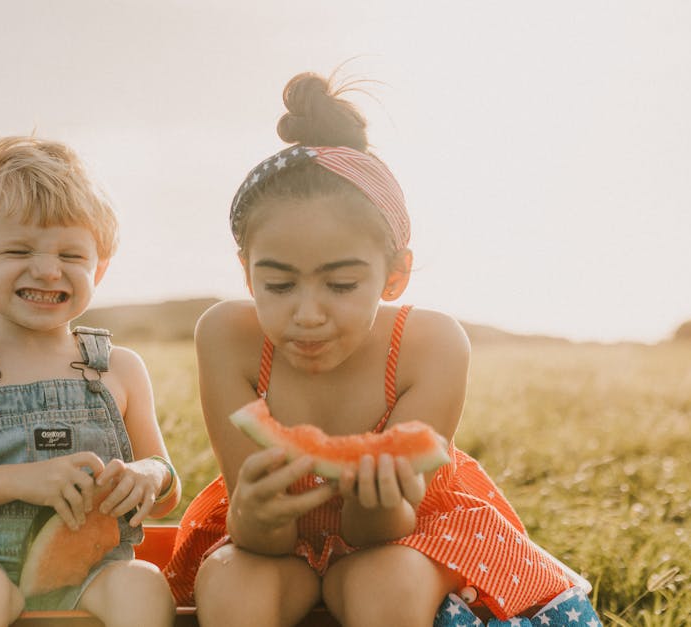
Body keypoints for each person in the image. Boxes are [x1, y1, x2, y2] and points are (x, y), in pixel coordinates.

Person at [163, 73, 601, 627]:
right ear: (247, 273)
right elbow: (262, 539)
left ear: (395, 275)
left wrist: (378, 502)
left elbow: (383, 531)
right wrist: (256, 514)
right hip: (270, 548)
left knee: (387, 580)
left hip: (406, 535)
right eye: (279, 284)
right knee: (232, 581)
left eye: (341, 284)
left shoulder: (431, 345)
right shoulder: (226, 336)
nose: (308, 313)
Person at [0, 136, 179, 627]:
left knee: (143, 583)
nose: (47, 270)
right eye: (18, 250)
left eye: (72, 255)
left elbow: (166, 494)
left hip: (93, 569)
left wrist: (149, 475)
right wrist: (22, 481)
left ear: (99, 268)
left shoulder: (120, 368)